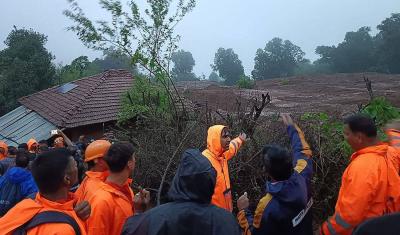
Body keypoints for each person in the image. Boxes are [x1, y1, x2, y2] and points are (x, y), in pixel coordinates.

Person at [122, 149, 241, 235]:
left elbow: (133, 230)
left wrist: (139, 212)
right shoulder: (226, 221)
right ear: (211, 183)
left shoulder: (152, 219)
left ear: (178, 178)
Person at [321, 114, 400, 235]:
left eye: (347, 134)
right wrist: (393, 131)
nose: (345, 137)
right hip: (390, 222)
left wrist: (325, 231)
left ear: (359, 137)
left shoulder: (362, 168)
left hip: (370, 229)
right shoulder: (389, 153)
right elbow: (397, 146)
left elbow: (350, 216)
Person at [236, 114, 313, 235]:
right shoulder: (303, 173)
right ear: (291, 163)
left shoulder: (267, 206)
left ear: (267, 172)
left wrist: (243, 211)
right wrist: (292, 128)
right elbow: (303, 151)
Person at [0, 148, 89, 235]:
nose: (77, 168)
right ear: (67, 179)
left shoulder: (26, 204)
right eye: (75, 165)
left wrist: (74, 216)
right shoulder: (62, 230)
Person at [85, 142, 149, 235]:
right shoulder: (102, 201)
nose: (135, 161)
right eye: (134, 157)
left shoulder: (126, 189)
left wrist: (138, 210)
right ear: (129, 164)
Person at [202, 125, 246, 211]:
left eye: (229, 136)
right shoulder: (204, 161)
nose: (229, 139)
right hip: (214, 216)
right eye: (225, 136)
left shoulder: (223, 154)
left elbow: (233, 146)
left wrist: (240, 139)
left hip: (227, 212)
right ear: (215, 139)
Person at [0, 151, 38, 216]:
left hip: (2, 211)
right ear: (28, 163)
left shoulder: (5, 176)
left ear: (15, 162)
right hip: (17, 214)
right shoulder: (30, 179)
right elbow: (33, 198)